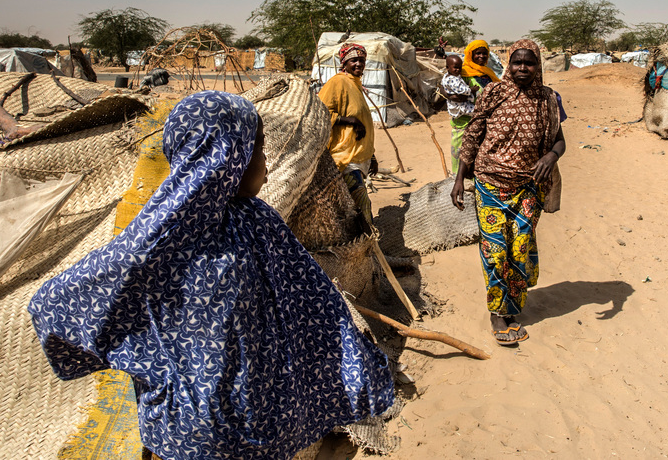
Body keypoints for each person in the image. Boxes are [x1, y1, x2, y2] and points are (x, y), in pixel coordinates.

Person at [28, 91, 394, 460]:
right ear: (225, 155)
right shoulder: (162, 234)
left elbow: (311, 302)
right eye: (258, 149)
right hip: (198, 437)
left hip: (232, 426)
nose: (266, 162)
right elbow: (54, 302)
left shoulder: (256, 221)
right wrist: (150, 358)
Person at [451, 39, 566, 346]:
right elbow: (473, 133)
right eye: (517, 62)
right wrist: (460, 178)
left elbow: (559, 141)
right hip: (490, 183)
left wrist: (550, 157)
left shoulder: (549, 98)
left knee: (518, 249)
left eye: (529, 63)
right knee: (496, 250)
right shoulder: (493, 92)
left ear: (538, 65)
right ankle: (496, 313)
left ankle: (511, 308)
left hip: (528, 187)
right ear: (508, 64)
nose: (522, 68)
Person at [318, 42, 377, 228]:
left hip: (357, 155)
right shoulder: (337, 82)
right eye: (354, 60)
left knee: (352, 207)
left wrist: (372, 155)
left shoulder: (355, 83)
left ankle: (361, 245)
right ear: (344, 62)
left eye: (362, 60)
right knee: (362, 203)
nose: (359, 64)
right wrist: (351, 121)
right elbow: (320, 111)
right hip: (343, 156)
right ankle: (371, 245)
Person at [440, 54, 477, 176]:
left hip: (457, 108)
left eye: (459, 67)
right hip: (462, 112)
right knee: (476, 111)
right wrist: (471, 90)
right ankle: (459, 174)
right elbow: (460, 94)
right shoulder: (457, 78)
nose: (458, 70)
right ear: (447, 68)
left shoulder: (452, 76)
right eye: (455, 67)